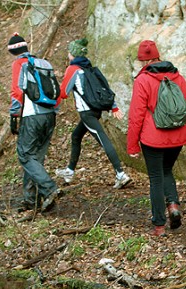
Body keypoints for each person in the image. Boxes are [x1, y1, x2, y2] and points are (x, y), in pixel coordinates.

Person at [127, 40, 186, 237]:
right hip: (179, 136)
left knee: (156, 178)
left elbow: (136, 116)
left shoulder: (142, 80)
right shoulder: (178, 78)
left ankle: (159, 225)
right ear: (158, 57)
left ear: (143, 62)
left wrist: (132, 145)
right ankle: (174, 206)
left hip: (153, 138)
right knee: (166, 169)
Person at [55, 38, 131, 189]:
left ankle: (121, 174)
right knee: (76, 136)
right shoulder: (88, 68)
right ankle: (69, 172)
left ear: (73, 54)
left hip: (86, 113)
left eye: (69, 51)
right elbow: (102, 88)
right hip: (94, 111)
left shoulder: (73, 69)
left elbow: (63, 93)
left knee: (103, 140)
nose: (68, 54)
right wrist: (113, 107)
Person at [8, 33, 60, 212]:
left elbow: (17, 92)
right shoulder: (44, 63)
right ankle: (31, 200)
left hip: (32, 116)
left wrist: (14, 115)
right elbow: (56, 90)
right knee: (35, 158)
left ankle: (50, 189)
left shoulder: (19, 64)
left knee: (25, 155)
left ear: (12, 51)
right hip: (50, 115)